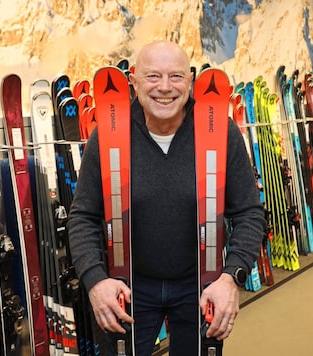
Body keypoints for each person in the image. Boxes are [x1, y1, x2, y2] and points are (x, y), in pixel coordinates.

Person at [67, 40, 265, 355]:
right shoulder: (108, 134)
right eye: (152, 76)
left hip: (200, 284)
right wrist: (95, 280)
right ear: (133, 81)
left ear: (190, 80)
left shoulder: (220, 132)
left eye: (175, 76)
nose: (164, 87)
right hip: (128, 285)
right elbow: (83, 217)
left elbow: (249, 214)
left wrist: (231, 278)